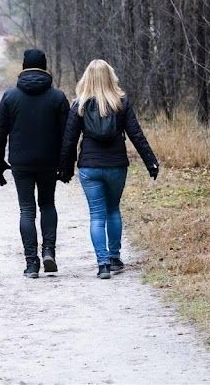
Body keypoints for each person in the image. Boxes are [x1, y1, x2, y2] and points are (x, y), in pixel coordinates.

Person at [58, 59, 160, 279]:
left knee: (97, 216)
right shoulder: (120, 103)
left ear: (87, 78)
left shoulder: (79, 105)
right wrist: (150, 161)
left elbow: (69, 139)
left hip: (90, 167)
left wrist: (64, 168)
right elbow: (136, 134)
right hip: (116, 165)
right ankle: (114, 258)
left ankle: (102, 263)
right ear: (110, 77)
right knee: (113, 210)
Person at [0, 49, 70, 278]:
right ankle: (49, 252)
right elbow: (68, 136)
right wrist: (66, 165)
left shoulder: (10, 97)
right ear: (45, 67)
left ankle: (31, 263)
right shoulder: (57, 97)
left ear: (24, 67)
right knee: (47, 205)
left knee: (27, 209)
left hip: (21, 163)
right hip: (48, 162)